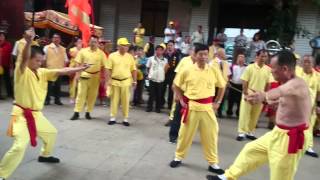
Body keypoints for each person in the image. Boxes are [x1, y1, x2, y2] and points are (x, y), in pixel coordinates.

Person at [207, 50, 312, 180]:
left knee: (281, 174)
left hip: (291, 138)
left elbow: (280, 91)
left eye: (273, 69)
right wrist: (271, 102)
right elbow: (286, 99)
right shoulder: (288, 83)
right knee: (251, 150)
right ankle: (227, 177)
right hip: (277, 133)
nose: (271, 71)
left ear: (284, 68)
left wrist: (265, 95)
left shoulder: (297, 83)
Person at [0, 28, 89, 180]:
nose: (40, 63)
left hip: (36, 114)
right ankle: (2, 175)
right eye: (37, 60)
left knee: (51, 133)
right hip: (21, 114)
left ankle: (45, 155)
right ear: (29, 59)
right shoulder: (22, 72)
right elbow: (21, 59)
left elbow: (62, 70)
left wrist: (80, 68)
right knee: (20, 146)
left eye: (41, 61)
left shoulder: (42, 72)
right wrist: (28, 42)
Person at [169, 44, 226, 175]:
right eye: (200, 54)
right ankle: (178, 157)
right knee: (185, 135)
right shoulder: (187, 70)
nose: (203, 57)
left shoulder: (213, 69)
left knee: (211, 136)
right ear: (194, 55)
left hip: (207, 108)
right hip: (192, 107)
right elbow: (176, 85)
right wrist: (181, 99)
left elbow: (222, 86)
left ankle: (213, 163)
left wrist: (218, 102)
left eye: (206, 54)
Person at [70, 35, 108, 120]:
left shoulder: (101, 54)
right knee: (80, 94)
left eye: (95, 41)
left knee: (92, 96)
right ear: (88, 42)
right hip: (84, 75)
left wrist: (104, 79)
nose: (93, 43)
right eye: (91, 41)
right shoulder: (83, 51)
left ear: (98, 43)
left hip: (95, 77)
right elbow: (78, 64)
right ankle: (76, 112)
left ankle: (88, 112)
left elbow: (105, 67)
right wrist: (77, 75)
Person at [236, 49, 271, 141]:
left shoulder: (268, 69)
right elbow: (245, 80)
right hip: (249, 91)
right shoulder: (250, 67)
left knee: (255, 114)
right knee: (245, 113)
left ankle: (250, 131)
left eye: (265, 56)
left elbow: (268, 83)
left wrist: (265, 95)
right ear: (257, 56)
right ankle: (241, 132)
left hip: (260, 94)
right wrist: (245, 92)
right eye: (262, 56)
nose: (263, 58)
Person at [168, 45, 196, 143]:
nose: (194, 54)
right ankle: (173, 136)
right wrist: (176, 92)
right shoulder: (184, 60)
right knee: (178, 114)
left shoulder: (201, 63)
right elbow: (177, 75)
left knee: (191, 118)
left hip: (194, 94)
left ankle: (185, 137)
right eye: (193, 51)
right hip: (182, 92)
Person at [106, 37, 137, 126]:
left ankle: (125, 118)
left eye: (126, 46)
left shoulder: (130, 57)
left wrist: (135, 81)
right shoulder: (112, 56)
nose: (125, 47)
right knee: (114, 100)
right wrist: (108, 81)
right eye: (123, 45)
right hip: (115, 81)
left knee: (125, 101)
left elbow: (133, 70)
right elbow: (108, 69)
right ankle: (112, 117)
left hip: (126, 82)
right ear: (118, 46)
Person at [298, 55, 320, 158]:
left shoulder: (318, 76)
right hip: (296, 107)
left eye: (309, 62)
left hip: (311, 108)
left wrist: (318, 105)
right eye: (305, 61)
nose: (306, 63)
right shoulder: (297, 74)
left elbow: (319, 92)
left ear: (313, 64)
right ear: (302, 63)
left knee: (309, 127)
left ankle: (308, 146)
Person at [43, 33, 69, 105]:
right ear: (52, 39)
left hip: (59, 70)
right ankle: (47, 99)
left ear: (60, 39)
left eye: (57, 38)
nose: (56, 39)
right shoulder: (47, 47)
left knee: (58, 85)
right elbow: (44, 59)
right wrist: (45, 68)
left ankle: (57, 100)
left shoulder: (63, 49)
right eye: (54, 38)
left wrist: (64, 69)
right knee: (48, 86)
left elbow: (66, 60)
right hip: (49, 69)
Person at [146, 45, 168, 113]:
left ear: (162, 51)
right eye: (157, 50)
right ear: (155, 51)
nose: (158, 51)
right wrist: (150, 75)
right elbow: (148, 67)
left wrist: (162, 74)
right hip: (152, 79)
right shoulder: (151, 59)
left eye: (160, 50)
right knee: (151, 94)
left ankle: (158, 108)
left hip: (160, 80)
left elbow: (166, 69)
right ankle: (149, 107)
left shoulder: (165, 60)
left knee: (159, 95)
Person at [211, 48, 231, 118]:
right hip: (215, 86)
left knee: (221, 100)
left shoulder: (226, 63)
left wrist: (227, 81)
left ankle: (219, 112)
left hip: (223, 85)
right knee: (213, 101)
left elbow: (227, 74)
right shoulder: (212, 63)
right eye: (224, 53)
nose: (225, 54)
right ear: (220, 54)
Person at [162, 40, 181, 109]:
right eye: (168, 45)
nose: (170, 47)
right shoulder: (164, 54)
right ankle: (162, 103)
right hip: (164, 74)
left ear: (174, 46)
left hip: (172, 75)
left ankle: (170, 105)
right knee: (162, 89)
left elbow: (178, 65)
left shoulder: (177, 54)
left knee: (171, 91)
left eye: (171, 45)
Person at [227, 53, 246, 117]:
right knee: (230, 99)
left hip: (241, 85)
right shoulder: (233, 66)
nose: (240, 59)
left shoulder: (246, 68)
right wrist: (228, 82)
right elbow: (229, 75)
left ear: (244, 59)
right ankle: (229, 112)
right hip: (233, 85)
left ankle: (238, 113)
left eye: (242, 57)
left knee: (240, 101)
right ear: (237, 59)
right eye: (239, 57)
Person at [68, 38, 82, 104]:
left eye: (81, 42)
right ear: (75, 43)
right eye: (79, 42)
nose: (80, 43)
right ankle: (72, 97)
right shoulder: (72, 50)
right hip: (73, 67)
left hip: (80, 68)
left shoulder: (83, 50)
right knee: (72, 84)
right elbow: (75, 56)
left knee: (80, 84)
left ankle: (78, 97)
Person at [0, 29, 13, 99]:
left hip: (6, 65)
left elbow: (10, 55)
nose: (1, 37)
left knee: (7, 80)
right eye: (0, 36)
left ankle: (10, 93)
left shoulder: (8, 44)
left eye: (2, 36)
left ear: (5, 37)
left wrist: (11, 66)